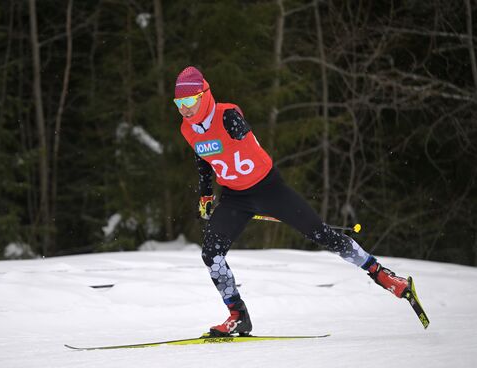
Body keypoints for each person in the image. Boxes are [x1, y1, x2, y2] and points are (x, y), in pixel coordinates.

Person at [174, 66, 410, 337]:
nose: (185, 109)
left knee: (323, 235)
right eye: (179, 103)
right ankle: (238, 315)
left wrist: (235, 129)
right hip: (235, 198)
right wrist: (205, 194)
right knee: (211, 254)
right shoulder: (187, 128)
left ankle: (381, 273)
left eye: (189, 102)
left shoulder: (227, 115)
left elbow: (238, 123)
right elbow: (203, 160)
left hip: (269, 188)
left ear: (204, 96)